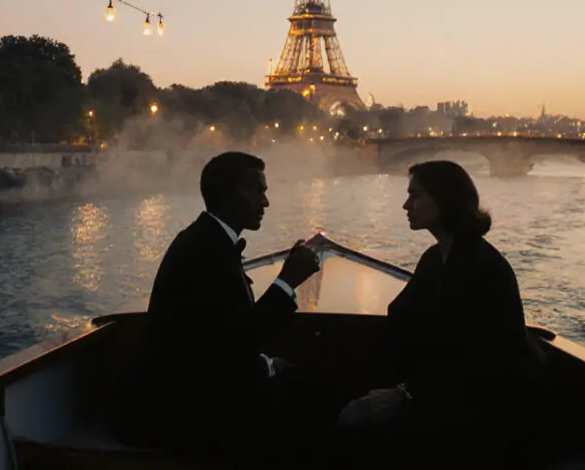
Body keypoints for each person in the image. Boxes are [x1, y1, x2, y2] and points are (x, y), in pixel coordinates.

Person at [115, 151, 324, 459]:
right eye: (257, 190)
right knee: (318, 406)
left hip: (195, 391)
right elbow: (237, 343)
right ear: (228, 193)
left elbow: (220, 337)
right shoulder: (206, 252)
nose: (265, 202)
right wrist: (288, 280)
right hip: (193, 411)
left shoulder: (202, 241)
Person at [336, 160, 543, 466]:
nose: (406, 205)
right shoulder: (434, 258)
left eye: (415, 195)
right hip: (437, 394)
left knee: (350, 424)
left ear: (445, 200)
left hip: (477, 410)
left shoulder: (484, 268)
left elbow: (485, 359)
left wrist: (405, 395)